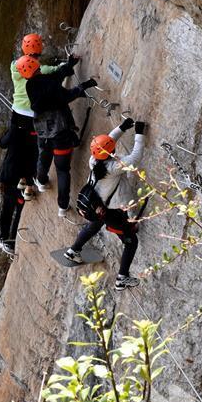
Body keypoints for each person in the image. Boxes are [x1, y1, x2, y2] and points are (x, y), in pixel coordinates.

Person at [64, 118, 148, 290]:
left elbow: (105, 144)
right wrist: (139, 133)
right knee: (131, 241)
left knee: (95, 224)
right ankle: (122, 278)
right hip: (111, 212)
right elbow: (135, 157)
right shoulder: (113, 168)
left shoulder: (94, 160)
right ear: (111, 152)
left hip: (95, 205)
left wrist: (122, 128)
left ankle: (74, 251)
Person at [18, 55, 97, 211]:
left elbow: (56, 77)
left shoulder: (30, 86)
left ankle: (41, 181)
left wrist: (69, 65)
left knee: (44, 157)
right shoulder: (49, 82)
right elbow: (64, 95)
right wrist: (82, 87)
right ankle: (62, 206)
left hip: (43, 133)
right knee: (62, 170)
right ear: (37, 66)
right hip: (60, 133)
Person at [6, 33, 60, 201]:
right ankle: (29, 186)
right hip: (31, 116)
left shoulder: (14, 66)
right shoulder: (41, 70)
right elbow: (56, 71)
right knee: (35, 149)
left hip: (16, 112)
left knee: (21, 147)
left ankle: (22, 179)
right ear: (40, 48)